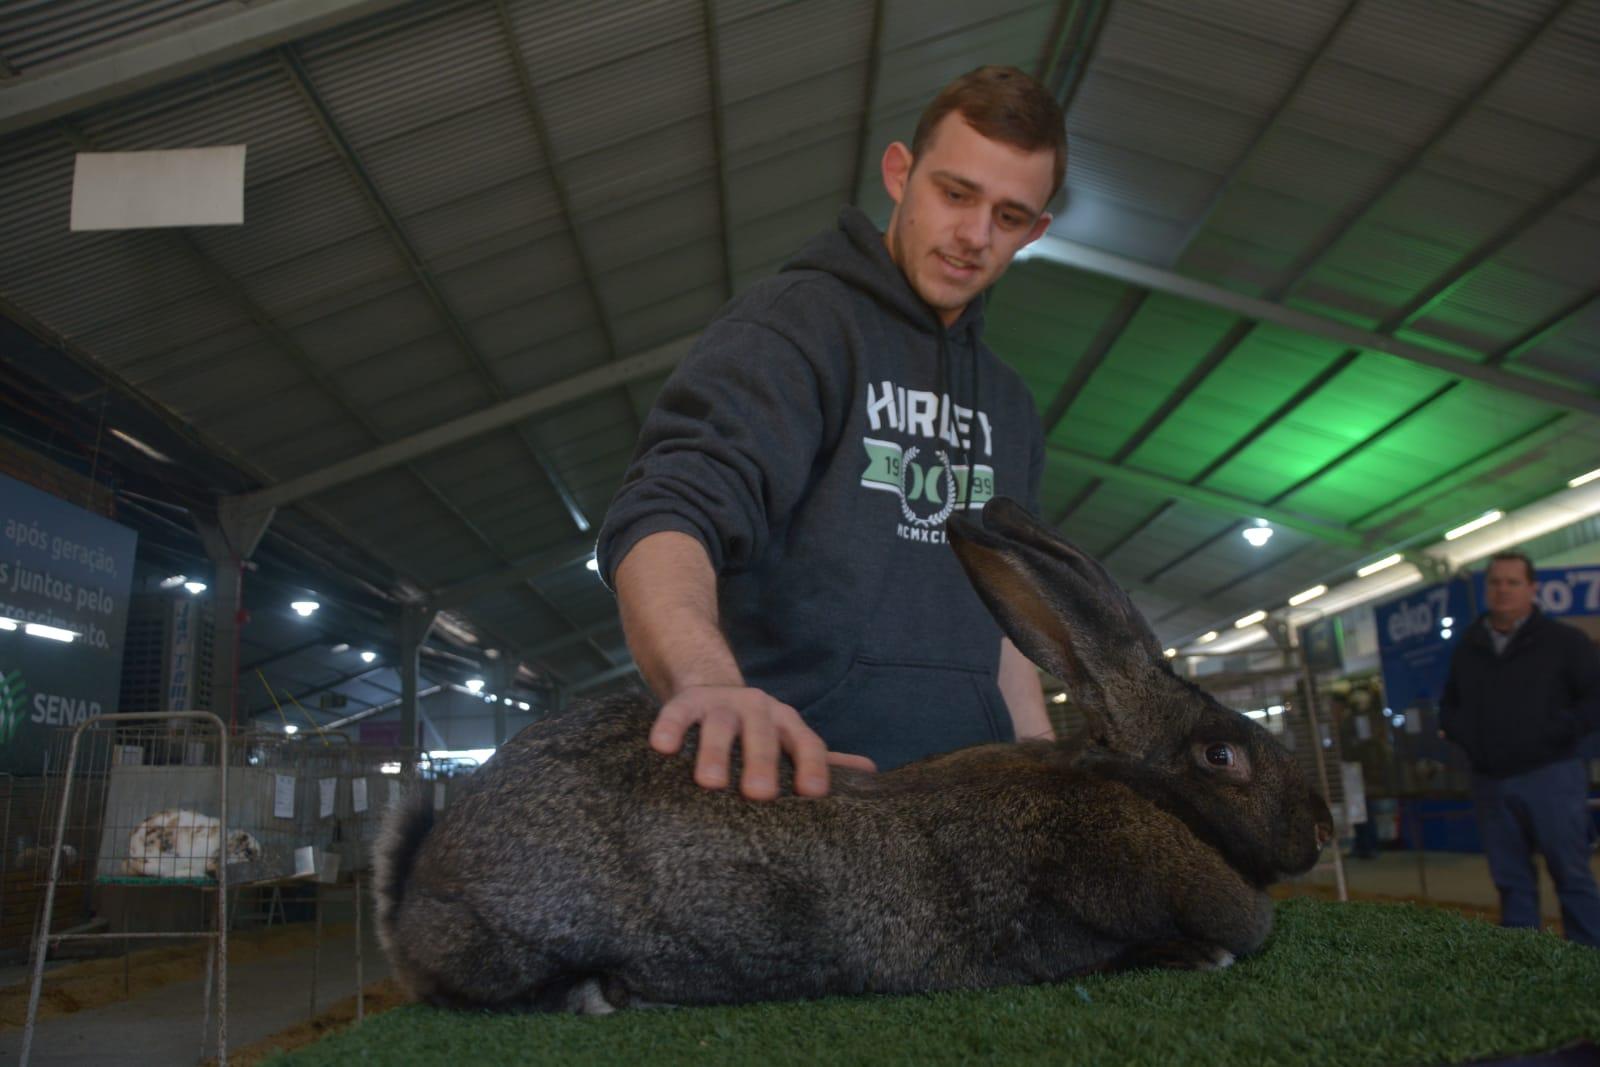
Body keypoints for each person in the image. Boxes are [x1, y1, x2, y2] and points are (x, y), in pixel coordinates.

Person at [595, 66, 1063, 801]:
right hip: (801, 805)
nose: (974, 236)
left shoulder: (1008, 404)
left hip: (969, 819)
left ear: (1035, 230)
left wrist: (1039, 754)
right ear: (899, 173)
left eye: (1007, 217)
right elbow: (665, 513)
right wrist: (710, 685)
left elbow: (1005, 616)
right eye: (955, 194)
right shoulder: (794, 329)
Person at [1439, 551, 1600, 947]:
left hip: (1552, 776)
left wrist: (1559, 731)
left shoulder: (1564, 642)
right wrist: (1471, 740)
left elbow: (1596, 697)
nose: (1503, 590)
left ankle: (1589, 960)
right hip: (1491, 782)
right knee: (1511, 882)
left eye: (1513, 582)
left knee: (1573, 876)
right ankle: (1525, 966)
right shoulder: (1469, 648)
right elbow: (1449, 707)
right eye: (1495, 582)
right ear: (1486, 588)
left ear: (1532, 588)